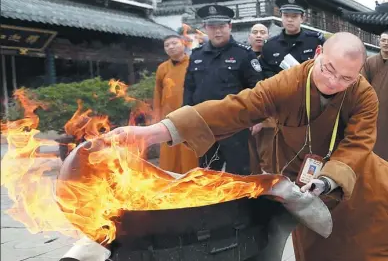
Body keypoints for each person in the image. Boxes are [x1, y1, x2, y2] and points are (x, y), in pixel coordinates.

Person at [105, 32, 388, 261]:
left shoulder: (363, 95)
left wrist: (329, 179)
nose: (334, 82)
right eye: (328, 70)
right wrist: (155, 132)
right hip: (306, 182)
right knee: (317, 250)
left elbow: (358, 142)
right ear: (317, 55)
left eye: (346, 78)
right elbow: (238, 108)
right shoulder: (288, 83)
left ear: (358, 74)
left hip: (356, 182)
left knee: (368, 247)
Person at [183, 4, 264, 175]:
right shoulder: (197, 56)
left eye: (221, 26)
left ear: (230, 26)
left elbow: (256, 88)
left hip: (234, 123)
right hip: (204, 124)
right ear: (205, 28)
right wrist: (185, 118)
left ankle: (239, 203)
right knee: (206, 173)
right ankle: (210, 203)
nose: (217, 31)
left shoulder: (244, 54)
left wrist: (257, 118)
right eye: (212, 27)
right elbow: (189, 89)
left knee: (238, 173)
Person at [153, 35, 198, 174]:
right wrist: (157, 116)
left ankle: (192, 183)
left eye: (174, 43)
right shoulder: (162, 68)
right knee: (169, 152)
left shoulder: (194, 64)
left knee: (190, 152)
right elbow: (158, 93)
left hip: (189, 115)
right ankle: (169, 184)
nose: (171, 47)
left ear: (183, 44)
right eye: (167, 45)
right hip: (168, 117)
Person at [259, 0, 325, 79]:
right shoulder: (269, 46)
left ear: (302, 18)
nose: (290, 20)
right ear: (281, 16)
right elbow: (265, 73)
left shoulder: (316, 41)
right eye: (286, 15)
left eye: (294, 16)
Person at [247, 23, 274, 174]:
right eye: (255, 32)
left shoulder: (272, 58)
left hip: (269, 118)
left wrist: (261, 119)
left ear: (268, 36)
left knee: (269, 162)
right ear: (249, 37)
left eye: (263, 32)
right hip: (246, 117)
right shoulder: (243, 57)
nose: (259, 35)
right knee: (250, 163)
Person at [361, 30, 388, 160]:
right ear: (379, 41)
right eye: (383, 40)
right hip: (371, 110)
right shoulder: (370, 62)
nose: (386, 43)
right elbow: (362, 85)